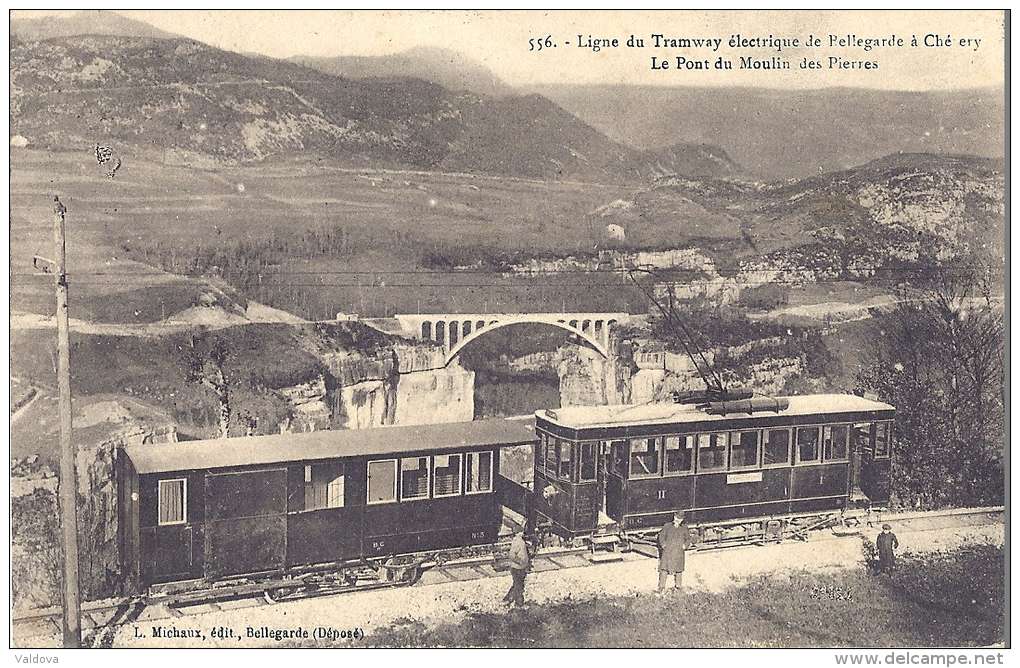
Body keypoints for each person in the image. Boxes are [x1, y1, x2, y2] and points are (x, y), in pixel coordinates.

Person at [657, 511, 689, 593]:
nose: (678, 520)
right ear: (674, 517)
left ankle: (678, 587)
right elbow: (661, 536)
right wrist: (663, 545)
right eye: (677, 518)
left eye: (680, 519)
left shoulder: (684, 527)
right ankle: (661, 587)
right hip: (668, 551)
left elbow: (688, 539)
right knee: (664, 569)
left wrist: (685, 546)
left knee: (679, 570)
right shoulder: (667, 526)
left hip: (679, 552)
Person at [503, 526, 531, 608]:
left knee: (517, 585)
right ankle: (519, 604)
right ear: (518, 533)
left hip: (520, 568)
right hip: (517, 568)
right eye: (521, 532)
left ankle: (507, 600)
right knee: (519, 587)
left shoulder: (520, 541)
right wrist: (520, 561)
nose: (523, 533)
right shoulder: (518, 542)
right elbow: (511, 555)